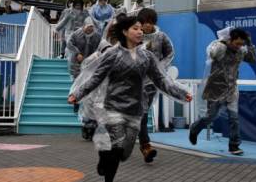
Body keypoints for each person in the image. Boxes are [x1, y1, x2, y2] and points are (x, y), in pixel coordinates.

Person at [68, 15, 192, 182]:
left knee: (125, 153)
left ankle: (105, 153)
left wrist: (181, 93)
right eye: (135, 28)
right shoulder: (112, 54)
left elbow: (161, 80)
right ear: (125, 32)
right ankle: (107, 169)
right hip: (113, 108)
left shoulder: (146, 57)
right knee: (118, 147)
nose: (140, 32)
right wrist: (77, 94)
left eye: (141, 28)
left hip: (135, 110)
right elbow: (96, 77)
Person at [189, 27, 256, 155]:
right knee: (210, 117)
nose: (239, 46)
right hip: (216, 89)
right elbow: (211, 53)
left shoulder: (241, 51)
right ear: (230, 40)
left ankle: (234, 146)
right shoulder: (221, 48)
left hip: (231, 90)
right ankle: (194, 129)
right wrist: (222, 42)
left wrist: (249, 44)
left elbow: (253, 59)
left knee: (234, 118)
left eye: (241, 44)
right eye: (237, 43)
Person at [136, 8, 175, 163]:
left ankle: (144, 145)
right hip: (134, 80)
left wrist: (160, 66)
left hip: (152, 82)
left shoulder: (161, 36)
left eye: (149, 23)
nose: (146, 26)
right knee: (141, 114)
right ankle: (146, 146)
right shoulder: (135, 35)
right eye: (143, 23)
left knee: (143, 113)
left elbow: (170, 53)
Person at [66, 17, 101, 112]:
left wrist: (96, 56)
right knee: (77, 81)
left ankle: (87, 103)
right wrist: (77, 53)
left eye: (92, 27)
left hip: (90, 63)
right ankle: (75, 101)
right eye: (88, 27)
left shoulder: (97, 36)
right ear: (84, 26)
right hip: (77, 62)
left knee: (88, 82)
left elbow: (100, 48)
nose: (90, 29)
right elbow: (69, 44)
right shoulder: (76, 34)